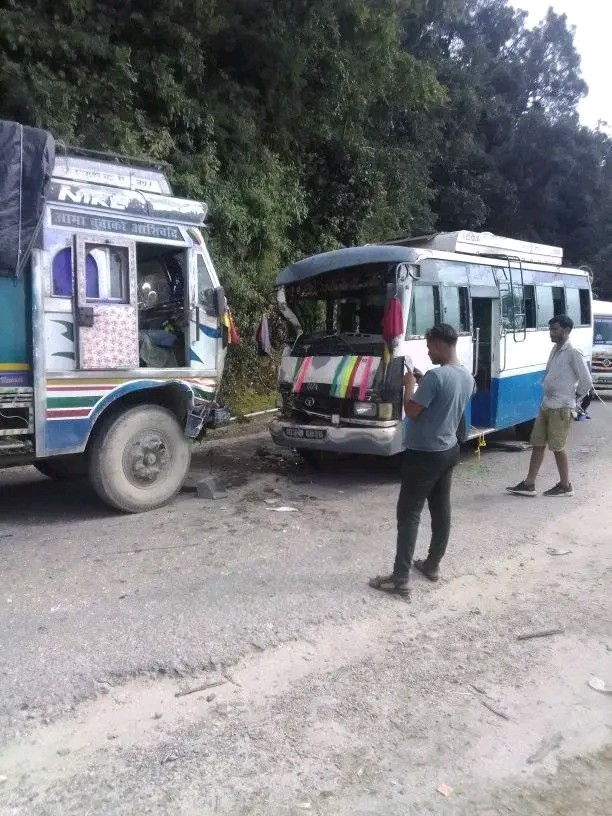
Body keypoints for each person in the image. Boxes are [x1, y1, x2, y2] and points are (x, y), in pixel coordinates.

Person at [369, 324, 475, 598]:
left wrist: (409, 386)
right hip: (448, 450)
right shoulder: (466, 376)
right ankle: (432, 564)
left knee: (409, 513)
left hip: (423, 455)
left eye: (429, 346)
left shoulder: (436, 378)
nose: (428, 351)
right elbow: (444, 400)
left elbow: (412, 411)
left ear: (440, 344)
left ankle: (400, 578)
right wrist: (423, 380)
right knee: (441, 509)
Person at [507, 315, 592, 498]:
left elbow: (586, 382)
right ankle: (529, 484)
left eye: (555, 329)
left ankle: (565, 485)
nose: (551, 333)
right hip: (547, 404)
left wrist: (574, 399)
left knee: (557, 447)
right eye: (550, 329)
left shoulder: (573, 351)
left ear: (566, 330)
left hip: (562, 407)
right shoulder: (556, 349)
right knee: (537, 443)